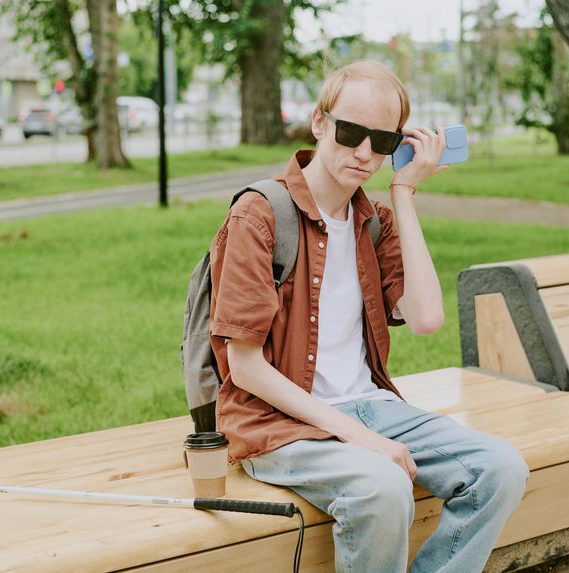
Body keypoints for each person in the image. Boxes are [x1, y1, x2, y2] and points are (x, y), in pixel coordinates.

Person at [209, 60, 528, 573]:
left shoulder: (372, 222)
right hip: (277, 422)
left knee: (501, 468)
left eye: (381, 141)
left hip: (372, 408)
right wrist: (360, 438)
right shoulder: (259, 214)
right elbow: (243, 367)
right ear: (319, 122)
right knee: (383, 488)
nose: (364, 153)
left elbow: (425, 318)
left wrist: (404, 193)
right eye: (351, 132)